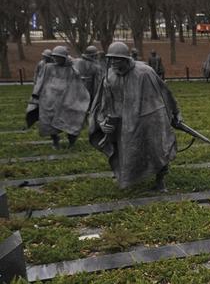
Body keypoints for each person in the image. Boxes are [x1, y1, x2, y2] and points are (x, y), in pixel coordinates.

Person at [88, 42, 180, 191]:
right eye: (111, 59)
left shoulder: (144, 72)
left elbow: (164, 92)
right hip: (122, 121)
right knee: (126, 150)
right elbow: (103, 102)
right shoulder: (109, 76)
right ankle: (127, 175)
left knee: (157, 149)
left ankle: (160, 180)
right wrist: (102, 121)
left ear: (126, 58)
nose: (114, 62)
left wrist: (175, 112)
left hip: (148, 118)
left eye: (117, 59)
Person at [27, 45, 91, 149]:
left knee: (71, 120)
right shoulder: (48, 67)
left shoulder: (71, 69)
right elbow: (40, 81)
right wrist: (35, 95)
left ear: (65, 57)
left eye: (59, 57)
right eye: (55, 56)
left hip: (66, 100)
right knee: (49, 122)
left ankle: (71, 141)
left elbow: (78, 81)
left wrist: (72, 67)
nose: (57, 59)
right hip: (50, 100)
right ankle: (55, 140)